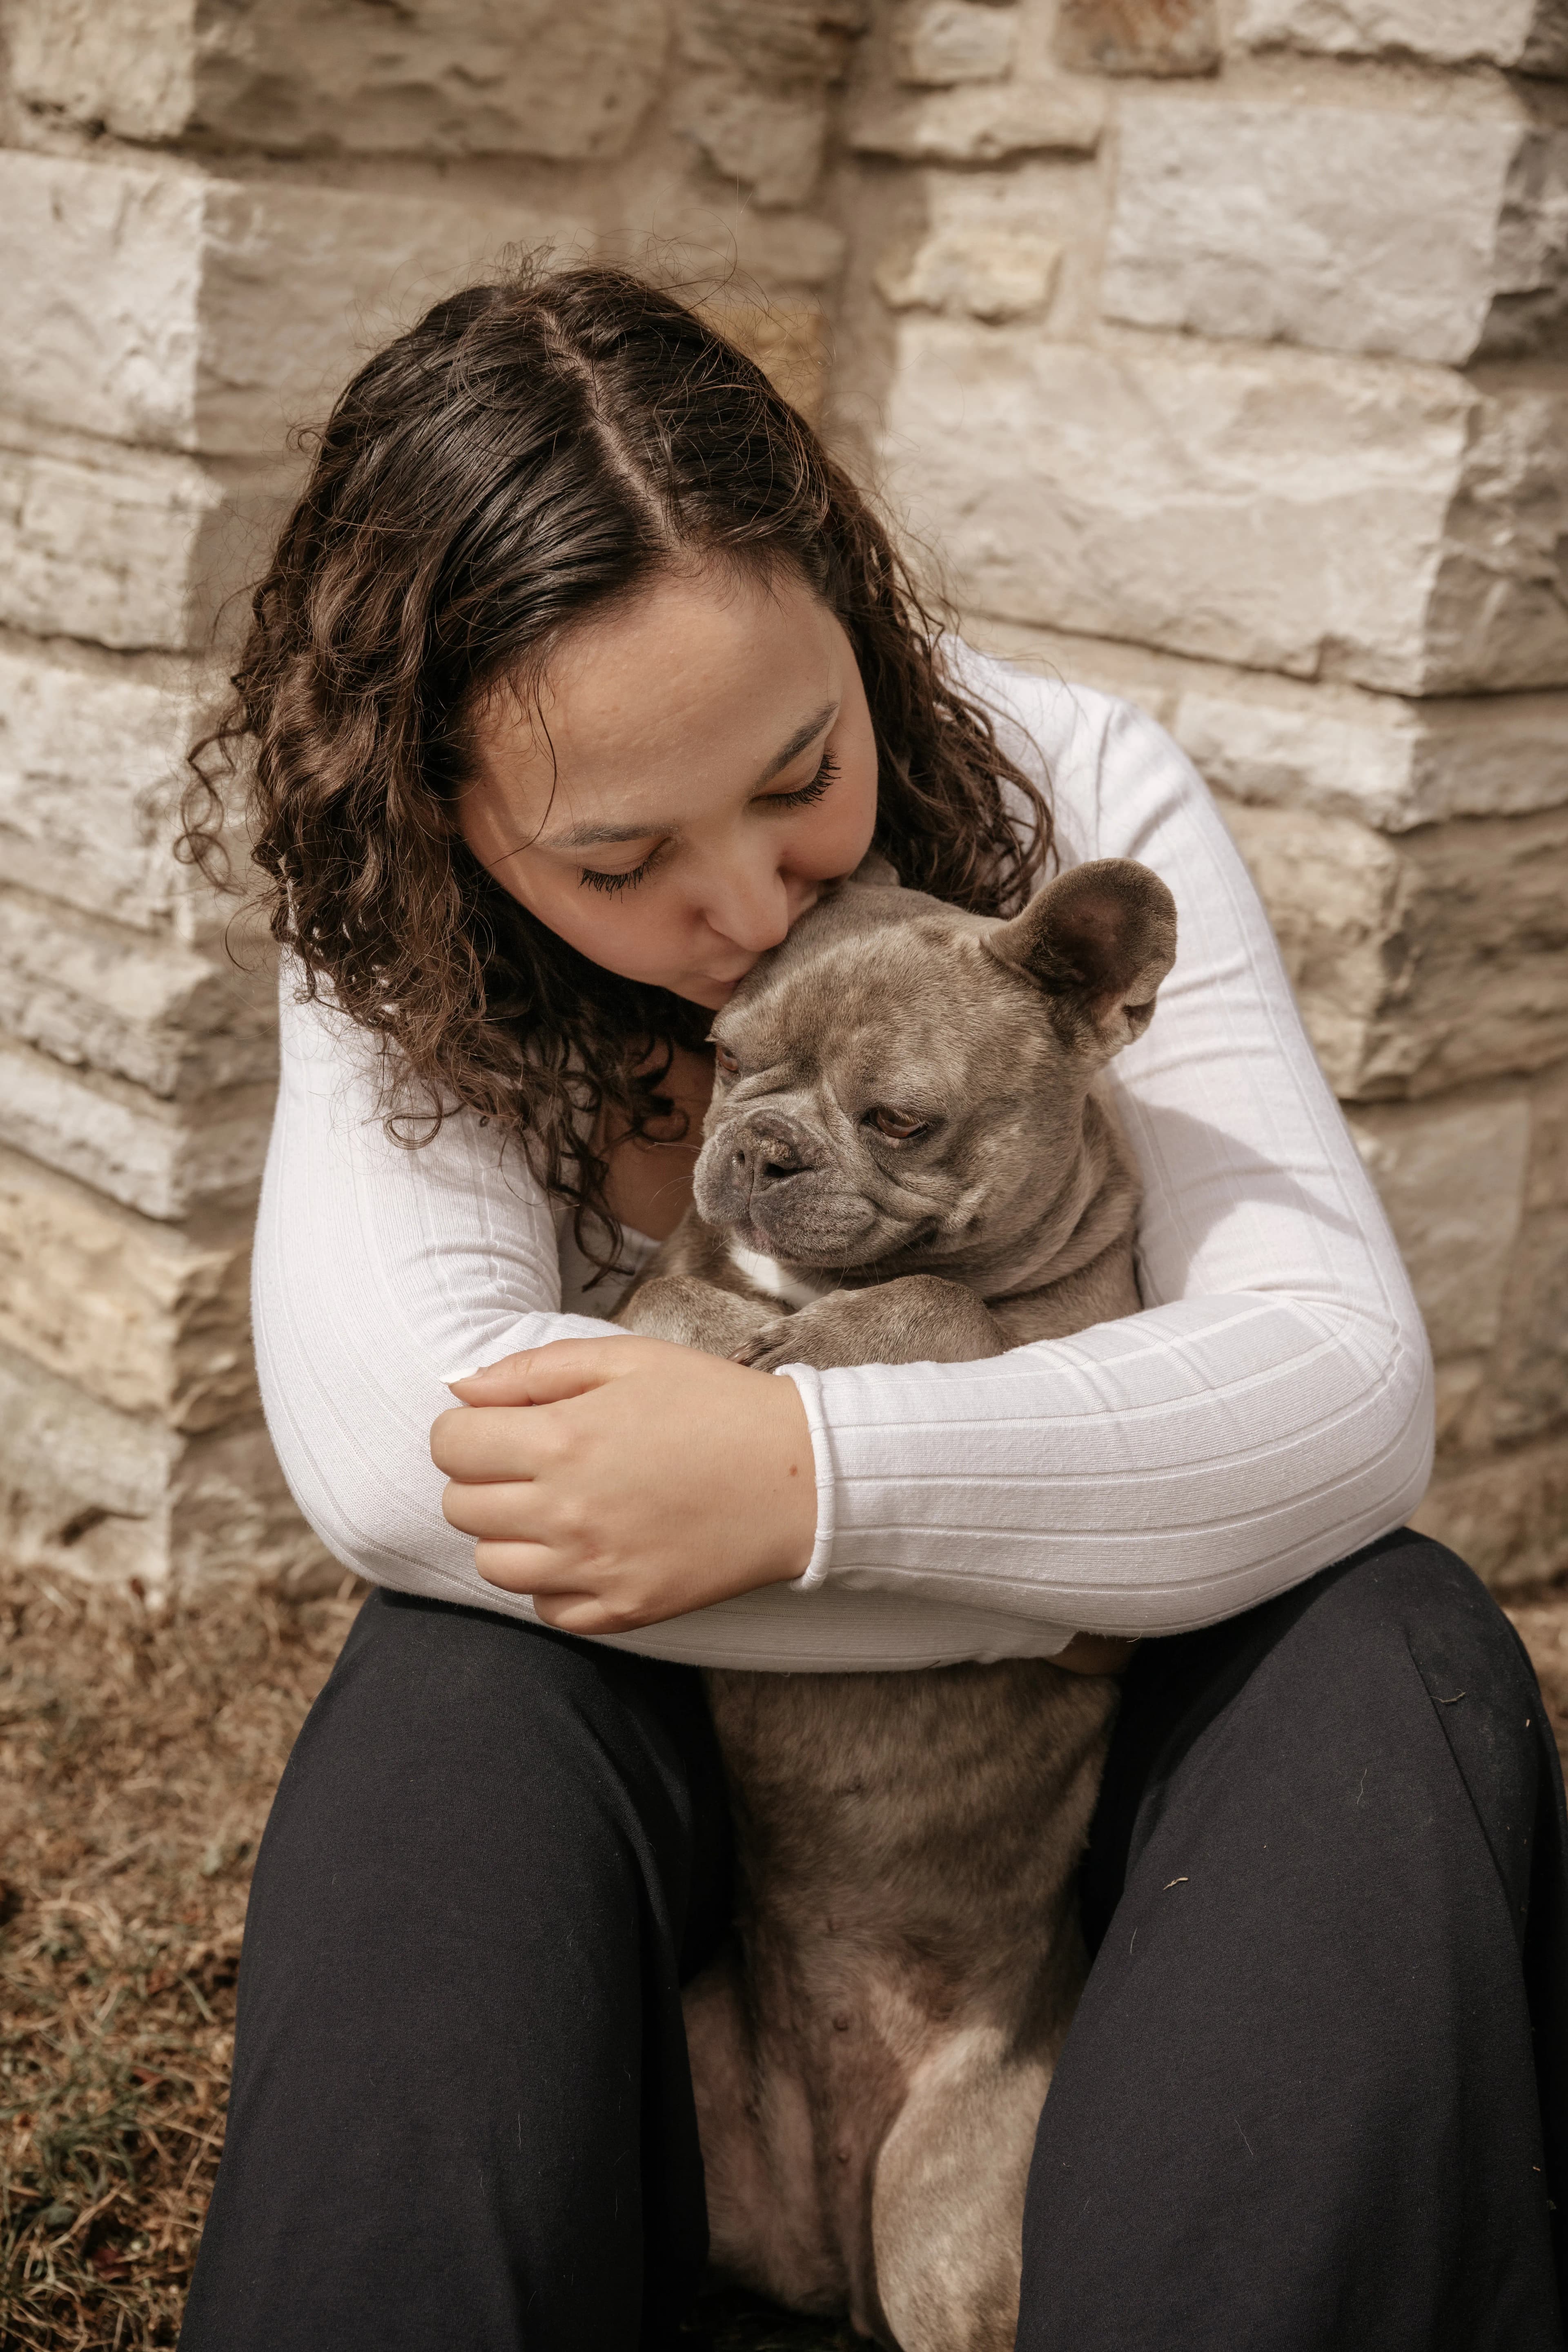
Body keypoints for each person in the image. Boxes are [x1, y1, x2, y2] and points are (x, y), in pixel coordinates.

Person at [174, 264, 1567, 2352]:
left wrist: (806, 1477)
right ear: (439, 812)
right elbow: (408, 1464)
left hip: (1059, 1855)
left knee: (1392, 1645)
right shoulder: (388, 916)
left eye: (799, 771)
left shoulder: (1073, 786)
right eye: (623, 859)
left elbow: (1341, 1392)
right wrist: (1086, 1540)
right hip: (665, 1813)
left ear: (854, 599)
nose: (743, 911)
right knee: (446, 1710)